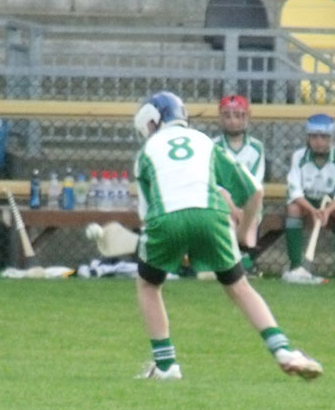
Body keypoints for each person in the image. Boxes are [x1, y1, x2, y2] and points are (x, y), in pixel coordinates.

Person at [133, 90, 323, 380]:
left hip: (166, 219)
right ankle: (283, 350)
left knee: (149, 285)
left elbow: (147, 216)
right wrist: (247, 230)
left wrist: (177, 245)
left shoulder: (145, 152)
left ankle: (166, 365)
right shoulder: (205, 143)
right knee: (238, 286)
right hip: (212, 215)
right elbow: (254, 190)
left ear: (153, 122)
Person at [283, 113, 335, 284]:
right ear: (307, 137)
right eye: (314, 136)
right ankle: (296, 265)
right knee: (293, 208)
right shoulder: (299, 157)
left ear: (332, 137)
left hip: (330, 204)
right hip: (307, 203)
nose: (319, 141)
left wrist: (327, 211)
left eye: (324, 137)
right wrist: (312, 210)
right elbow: (294, 190)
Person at [213, 95, 265, 275]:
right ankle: (234, 260)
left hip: (248, 202)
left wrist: (242, 209)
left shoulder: (257, 148)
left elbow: (255, 183)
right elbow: (215, 183)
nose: (233, 121)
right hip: (223, 202)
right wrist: (233, 208)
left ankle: (243, 258)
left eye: (238, 115)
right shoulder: (214, 147)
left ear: (247, 117)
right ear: (220, 117)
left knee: (250, 217)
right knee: (227, 217)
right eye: (227, 115)